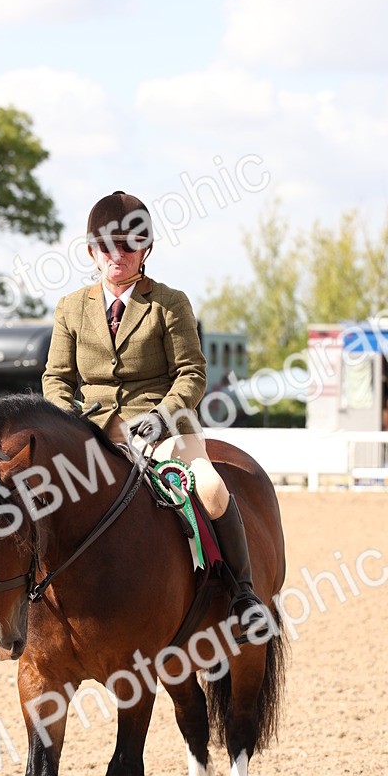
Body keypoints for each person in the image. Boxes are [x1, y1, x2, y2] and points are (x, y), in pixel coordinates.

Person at [42, 189, 267, 636]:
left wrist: (164, 414)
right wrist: (65, 420)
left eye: (128, 245)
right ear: (91, 251)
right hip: (95, 429)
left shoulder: (169, 302)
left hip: (166, 426)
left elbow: (192, 373)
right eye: (106, 246)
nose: (116, 255)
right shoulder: (70, 307)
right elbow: (56, 378)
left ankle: (243, 595)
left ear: (145, 250)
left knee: (211, 487)